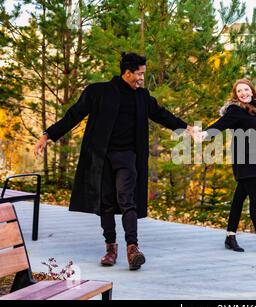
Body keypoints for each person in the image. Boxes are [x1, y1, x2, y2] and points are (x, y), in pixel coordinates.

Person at [34, 52, 196, 270]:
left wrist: (186, 127)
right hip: (100, 158)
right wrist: (48, 134)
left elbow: (161, 114)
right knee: (106, 204)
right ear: (127, 73)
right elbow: (73, 115)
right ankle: (111, 248)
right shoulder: (98, 92)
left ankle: (133, 248)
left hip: (127, 156)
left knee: (127, 199)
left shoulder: (142, 96)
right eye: (139, 74)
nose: (142, 78)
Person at [198, 78, 256, 254]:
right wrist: (205, 134)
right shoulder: (235, 111)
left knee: (239, 199)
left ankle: (230, 236)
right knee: (255, 200)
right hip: (245, 161)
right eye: (239, 91)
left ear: (251, 91)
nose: (243, 93)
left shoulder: (252, 111)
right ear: (235, 95)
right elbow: (221, 124)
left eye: (246, 90)